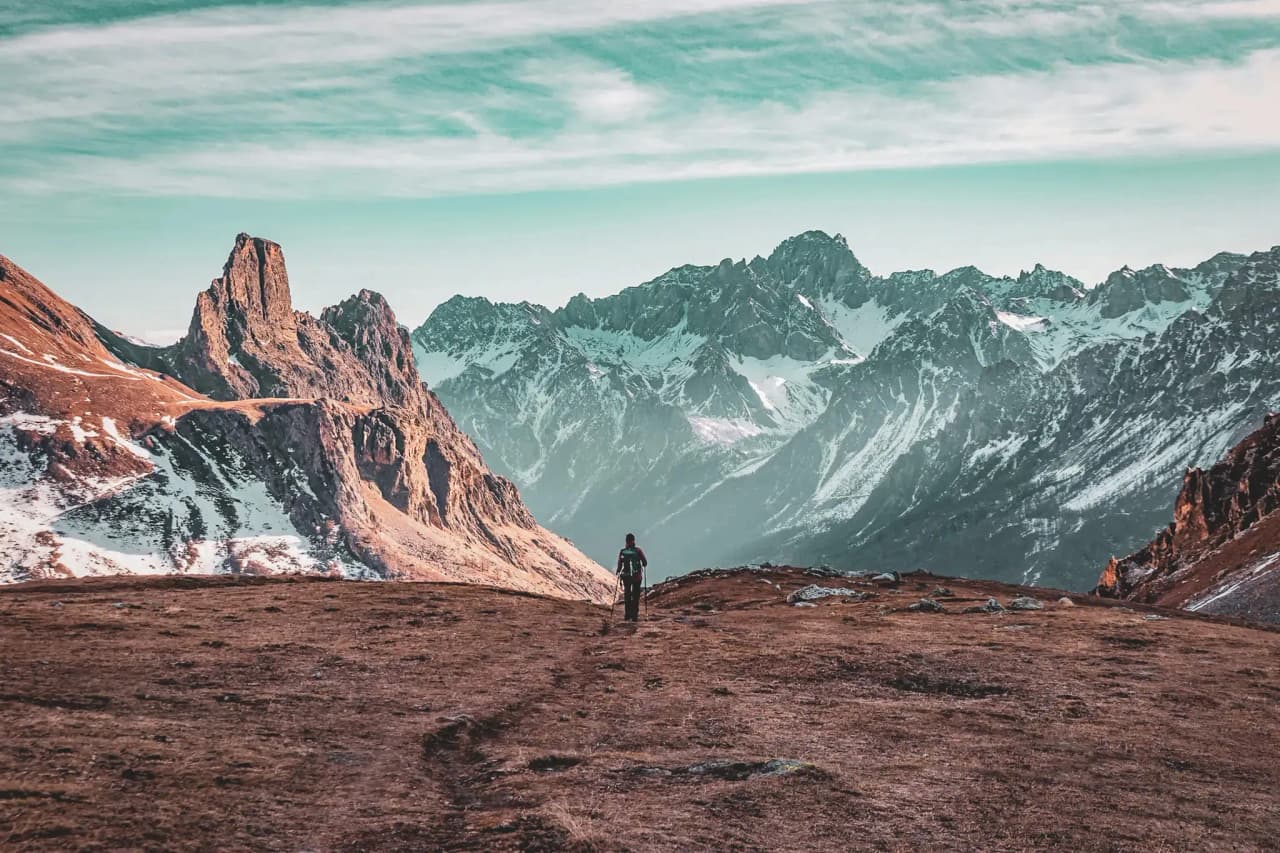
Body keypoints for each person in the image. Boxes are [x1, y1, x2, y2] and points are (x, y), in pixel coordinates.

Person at [616, 533, 648, 622]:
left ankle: (627, 615)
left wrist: (618, 571)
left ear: (626, 541)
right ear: (634, 541)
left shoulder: (623, 551)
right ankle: (634, 616)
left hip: (626, 577)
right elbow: (645, 562)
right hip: (637, 577)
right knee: (635, 596)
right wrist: (642, 564)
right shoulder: (638, 551)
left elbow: (619, 564)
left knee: (627, 595)